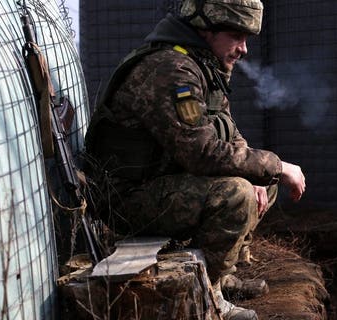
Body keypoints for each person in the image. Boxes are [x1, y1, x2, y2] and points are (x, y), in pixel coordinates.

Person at [84, 0, 305, 318]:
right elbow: (202, 153)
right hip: (126, 198)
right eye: (235, 36)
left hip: (160, 184)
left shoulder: (203, 65)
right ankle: (208, 299)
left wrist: (266, 172)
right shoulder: (173, 70)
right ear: (206, 29)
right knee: (236, 195)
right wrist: (278, 166)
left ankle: (220, 274)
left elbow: (228, 134)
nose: (243, 49)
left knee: (261, 181)